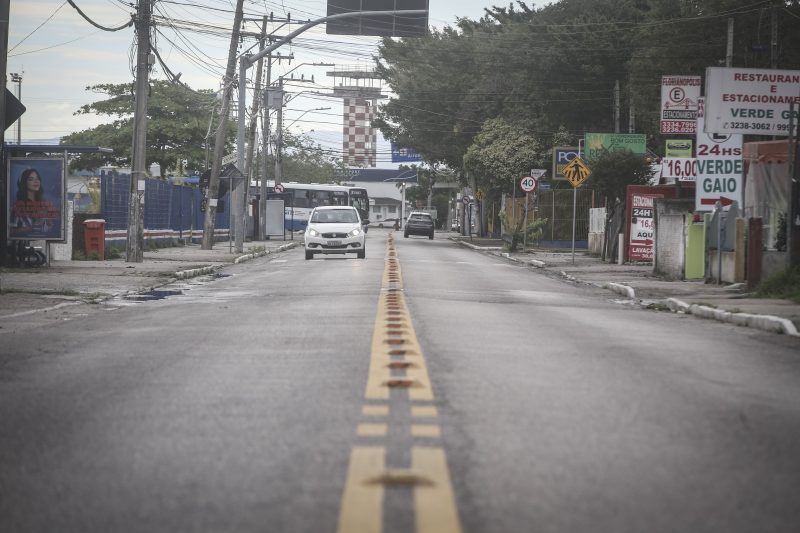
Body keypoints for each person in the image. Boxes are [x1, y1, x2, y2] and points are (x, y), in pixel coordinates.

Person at [11, 167, 55, 236]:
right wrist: (29, 229)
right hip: (22, 241)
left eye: (37, 178)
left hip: (40, 240)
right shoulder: (17, 206)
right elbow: (10, 232)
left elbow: (51, 227)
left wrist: (48, 225)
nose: (36, 181)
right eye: (31, 179)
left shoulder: (44, 204)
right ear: (24, 183)